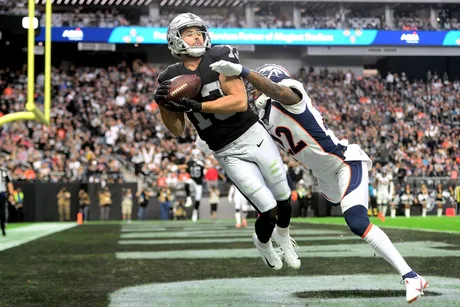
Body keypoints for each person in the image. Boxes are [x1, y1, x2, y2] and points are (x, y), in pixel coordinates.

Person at [210, 60, 428, 303]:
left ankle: (411, 277)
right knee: (330, 205)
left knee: (356, 222)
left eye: (257, 86)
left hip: (344, 162)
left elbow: (278, 92)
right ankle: (285, 235)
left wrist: (244, 72)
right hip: (323, 176)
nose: (254, 91)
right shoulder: (261, 117)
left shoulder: (291, 94)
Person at [154, 12, 299, 270]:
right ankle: (263, 244)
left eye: (199, 31)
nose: (197, 36)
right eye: (189, 32)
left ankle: (285, 240)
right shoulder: (170, 77)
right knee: (267, 209)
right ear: (175, 39)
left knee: (284, 197)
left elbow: (239, 101)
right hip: (225, 150)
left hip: (253, 134)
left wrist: (198, 105)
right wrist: (164, 105)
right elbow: (177, 129)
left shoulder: (219, 55)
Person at [0, 165, 14, 236]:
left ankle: (3, 227)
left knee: (2, 213)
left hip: (2, 194)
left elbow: (9, 182)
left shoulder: (3, 171)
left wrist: (11, 194)